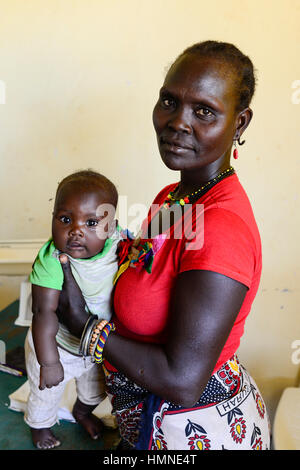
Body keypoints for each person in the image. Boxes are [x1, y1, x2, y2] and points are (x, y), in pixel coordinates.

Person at [56, 41, 271, 450]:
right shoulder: (174, 197)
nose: (177, 122)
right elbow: (145, 262)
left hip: (190, 432)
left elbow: (183, 380)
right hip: (146, 417)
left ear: (240, 124)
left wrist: (84, 328)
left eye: (203, 111)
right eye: (169, 102)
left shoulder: (221, 228)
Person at [24, 170, 122, 449]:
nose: (76, 230)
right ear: (53, 217)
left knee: (95, 390)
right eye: (65, 219)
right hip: (57, 345)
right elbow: (43, 313)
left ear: (110, 228)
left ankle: (82, 412)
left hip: (94, 345)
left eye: (91, 222)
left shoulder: (117, 244)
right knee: (47, 393)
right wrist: (49, 362)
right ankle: (39, 427)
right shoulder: (52, 260)